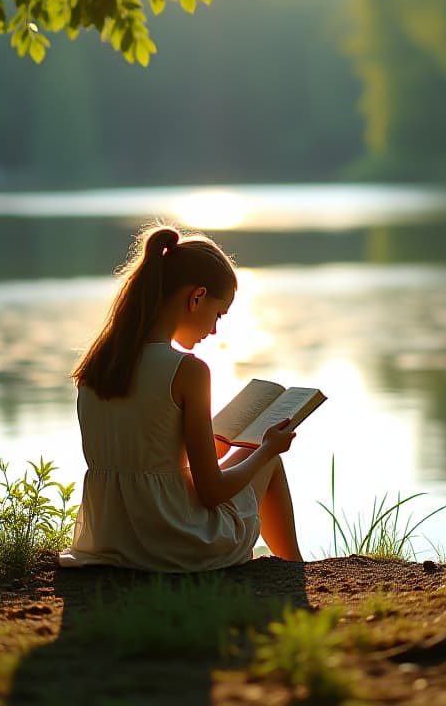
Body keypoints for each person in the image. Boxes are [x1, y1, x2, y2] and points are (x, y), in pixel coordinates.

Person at [58, 222, 303, 571]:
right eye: (217, 315)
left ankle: (290, 566)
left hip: (110, 541)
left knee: (240, 453)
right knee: (268, 461)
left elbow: (147, 454)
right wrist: (266, 449)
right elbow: (211, 492)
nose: (214, 330)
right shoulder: (188, 370)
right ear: (196, 297)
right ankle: (293, 569)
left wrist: (212, 444)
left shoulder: (97, 365)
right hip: (174, 544)